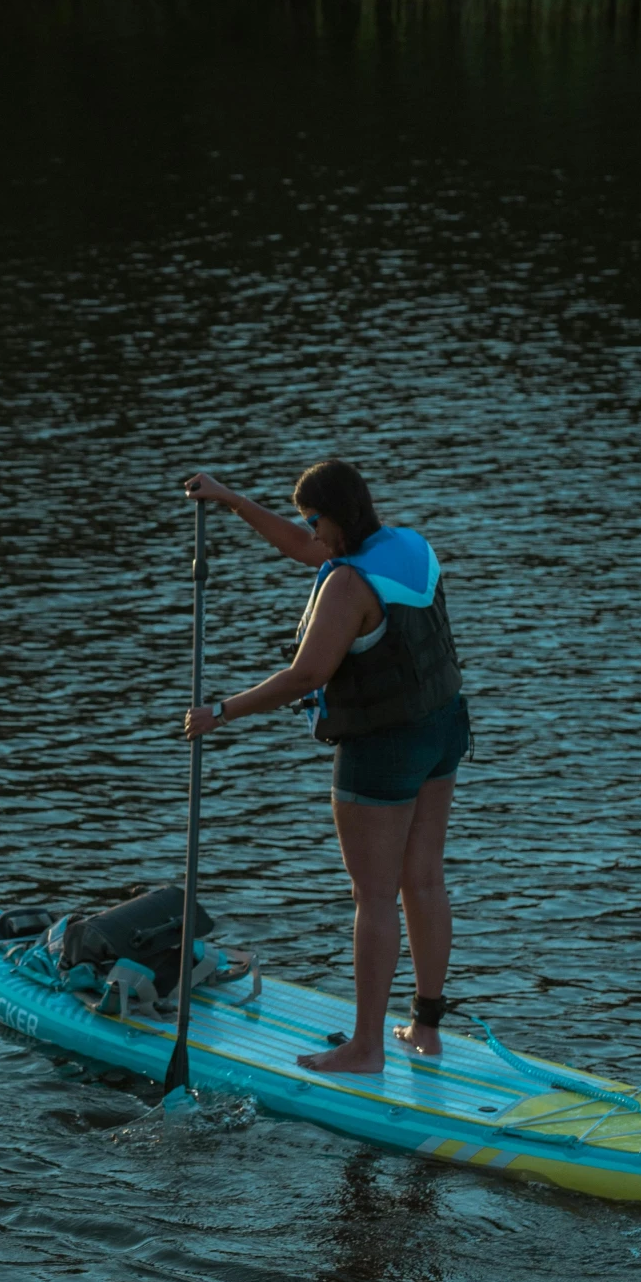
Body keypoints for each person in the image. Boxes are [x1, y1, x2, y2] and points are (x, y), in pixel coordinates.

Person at [179, 460, 468, 1073]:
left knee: (373, 896)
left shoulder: (345, 587)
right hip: (443, 729)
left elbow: (307, 676)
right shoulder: (408, 546)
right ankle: (426, 1030)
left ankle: (365, 1049)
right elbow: (304, 547)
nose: (310, 533)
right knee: (424, 880)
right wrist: (231, 499)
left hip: (382, 748)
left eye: (315, 520)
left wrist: (220, 712)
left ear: (337, 517)